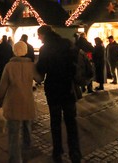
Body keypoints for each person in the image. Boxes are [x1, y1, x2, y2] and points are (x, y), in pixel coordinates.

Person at [36, 25, 81, 163]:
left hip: (53, 89)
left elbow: (42, 68)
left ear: (43, 35)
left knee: (55, 122)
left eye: (39, 35)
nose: (38, 38)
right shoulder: (67, 43)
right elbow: (75, 63)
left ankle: (57, 151)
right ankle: (75, 153)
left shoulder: (45, 49)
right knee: (71, 122)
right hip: (68, 88)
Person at [0, 41, 38, 163]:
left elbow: (3, 86)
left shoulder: (9, 66)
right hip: (27, 101)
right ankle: (27, 147)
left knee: (13, 133)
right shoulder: (31, 65)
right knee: (27, 126)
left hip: (13, 102)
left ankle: (15, 159)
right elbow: (39, 78)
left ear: (14, 51)